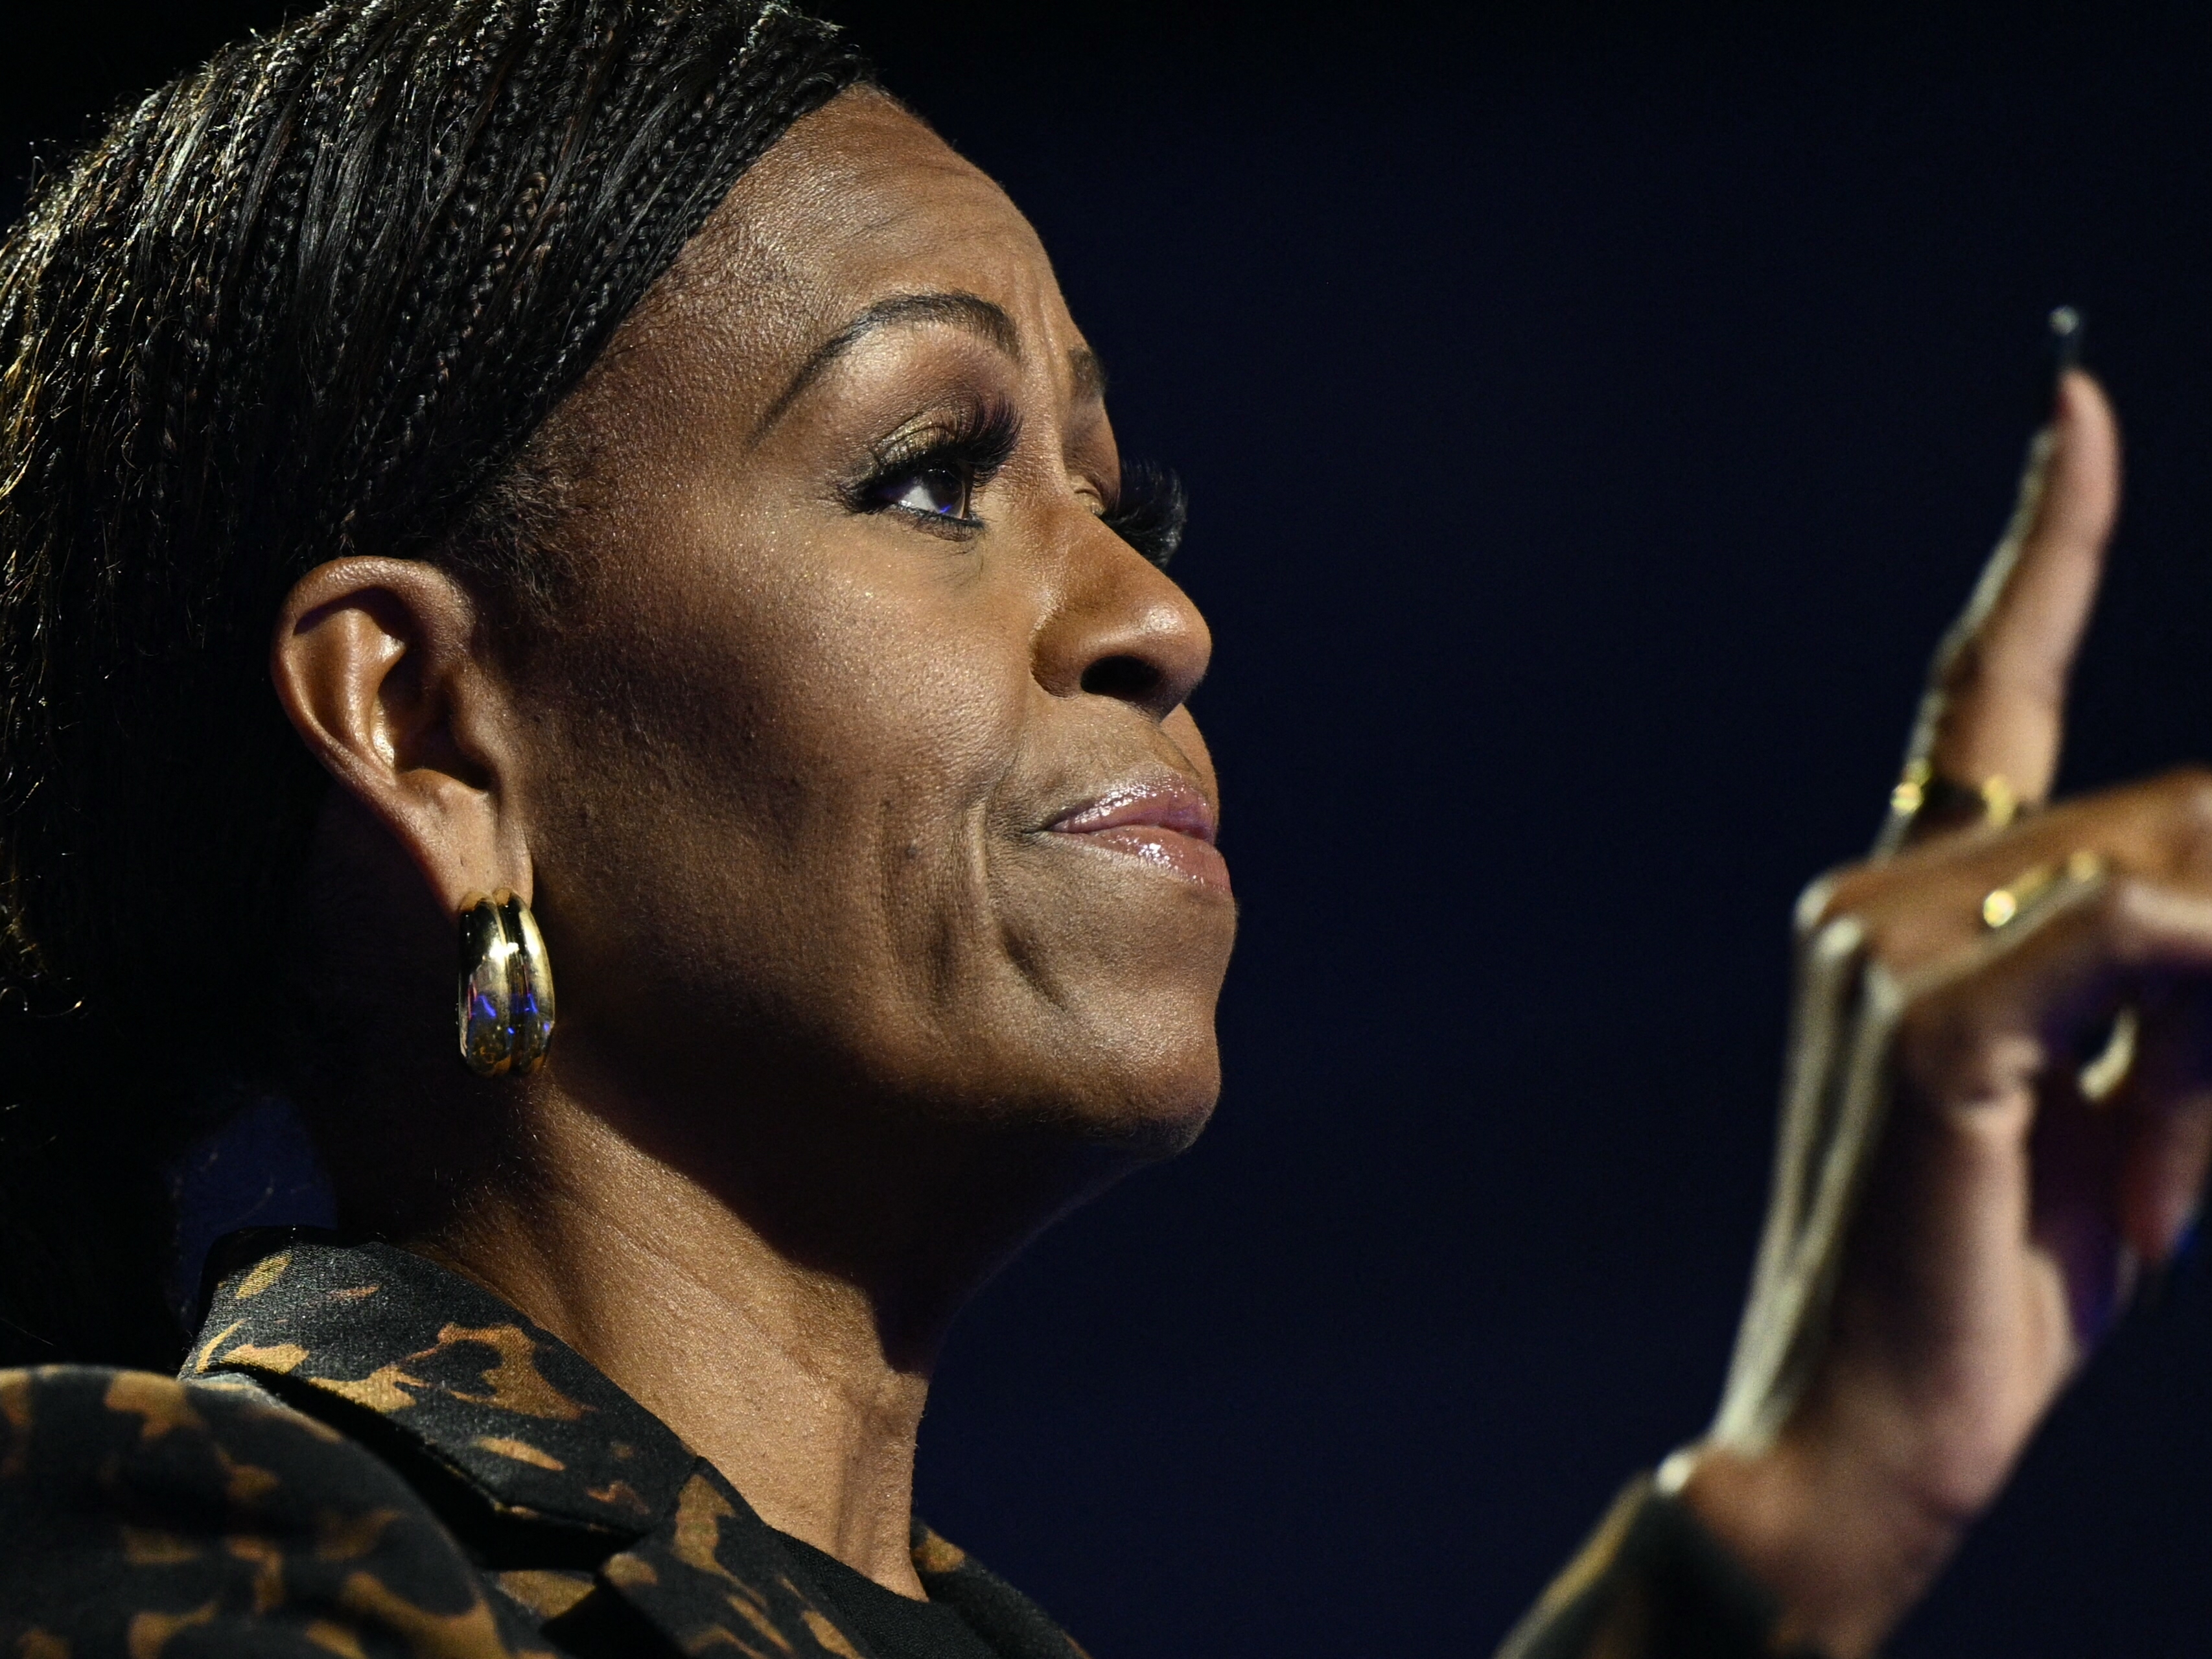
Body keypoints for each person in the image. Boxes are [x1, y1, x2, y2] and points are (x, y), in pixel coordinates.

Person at [0, 2, 2204, 1654]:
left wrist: (1803, 1505)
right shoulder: (173, 1564)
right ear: (430, 728)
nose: (1159, 611)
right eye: (931, 471)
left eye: (1116, 499)